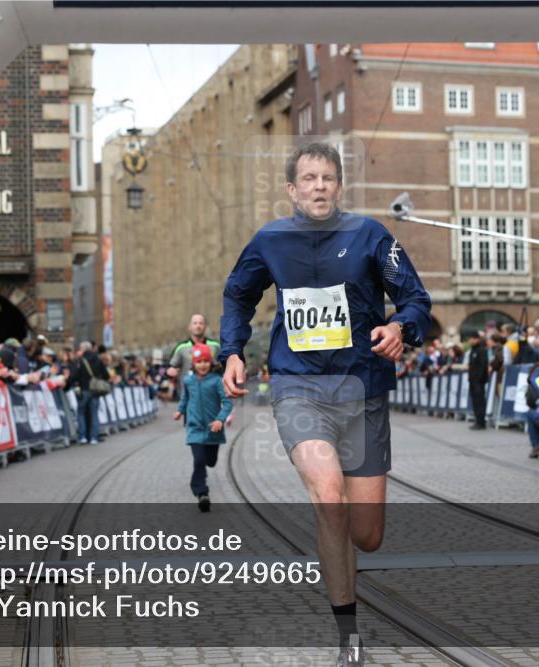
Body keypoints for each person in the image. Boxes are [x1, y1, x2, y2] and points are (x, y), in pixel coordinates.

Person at [219, 141, 431, 666]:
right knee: (329, 495)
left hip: (362, 391)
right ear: (292, 189)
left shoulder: (370, 235)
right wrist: (231, 351)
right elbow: (237, 294)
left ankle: (350, 590)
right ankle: (349, 637)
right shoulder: (269, 240)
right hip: (298, 387)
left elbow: (416, 299)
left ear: (339, 186)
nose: (319, 186)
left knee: (368, 534)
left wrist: (400, 326)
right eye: (309, 178)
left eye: (328, 178)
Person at [173, 343, 232, 512]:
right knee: (199, 460)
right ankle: (201, 492)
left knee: (210, 462)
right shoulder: (188, 381)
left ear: (211, 363)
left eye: (206, 361)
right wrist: (179, 411)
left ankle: (202, 479)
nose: (203, 365)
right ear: (194, 364)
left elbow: (227, 403)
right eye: (199, 362)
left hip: (214, 430)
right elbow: (185, 399)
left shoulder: (216, 381)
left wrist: (220, 419)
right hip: (194, 428)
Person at [168, 314, 221, 396]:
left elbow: (224, 366)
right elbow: (171, 368)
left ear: (205, 326)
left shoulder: (215, 346)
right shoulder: (181, 347)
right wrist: (170, 371)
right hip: (188, 394)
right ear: (189, 327)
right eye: (195, 323)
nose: (198, 326)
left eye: (201, 323)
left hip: (211, 394)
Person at [69, 341, 108, 444]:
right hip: (95, 390)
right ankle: (94, 437)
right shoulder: (98, 360)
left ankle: (83, 436)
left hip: (84, 389)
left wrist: (67, 386)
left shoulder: (80, 360)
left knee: (81, 413)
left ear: (83, 349)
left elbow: (73, 376)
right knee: (94, 414)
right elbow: (106, 375)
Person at [466, 331, 490, 430]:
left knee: (480, 401)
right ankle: (477, 420)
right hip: (472, 380)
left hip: (479, 381)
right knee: (475, 401)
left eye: (472, 339)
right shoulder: (472, 351)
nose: (470, 341)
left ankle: (481, 422)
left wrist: (479, 379)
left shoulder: (482, 350)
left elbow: (483, 366)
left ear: (477, 339)